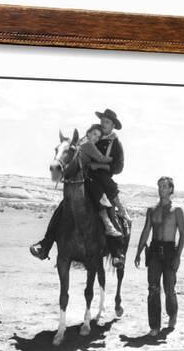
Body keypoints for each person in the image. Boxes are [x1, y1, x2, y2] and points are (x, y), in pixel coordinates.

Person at [30, 108, 128, 260]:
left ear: (113, 126)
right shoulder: (92, 136)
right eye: (102, 120)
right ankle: (46, 245)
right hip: (82, 179)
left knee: (107, 208)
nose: (103, 124)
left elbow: (118, 167)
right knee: (62, 209)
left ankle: (116, 252)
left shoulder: (115, 144)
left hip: (101, 180)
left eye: (107, 122)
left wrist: (100, 166)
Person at [134, 176, 184, 336]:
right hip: (155, 250)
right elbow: (146, 231)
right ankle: (154, 326)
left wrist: (178, 256)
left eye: (164, 186)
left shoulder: (177, 210)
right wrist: (138, 251)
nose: (161, 189)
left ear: (171, 189)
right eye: (159, 186)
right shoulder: (152, 210)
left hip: (170, 251)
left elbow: (182, 234)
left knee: (169, 289)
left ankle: (172, 314)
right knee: (153, 289)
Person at [77, 124, 122, 237]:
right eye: (94, 134)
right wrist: (113, 159)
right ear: (88, 133)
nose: (96, 138)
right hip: (83, 176)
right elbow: (101, 158)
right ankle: (108, 222)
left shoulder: (80, 141)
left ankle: (46, 243)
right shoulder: (88, 144)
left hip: (77, 177)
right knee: (97, 190)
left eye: (98, 137)